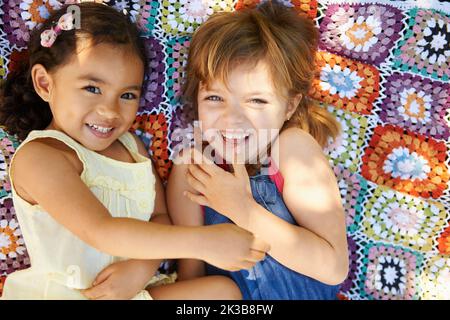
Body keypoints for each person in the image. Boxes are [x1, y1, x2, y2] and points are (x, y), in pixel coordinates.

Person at [0, 2, 269, 300]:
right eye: (92, 88)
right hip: (68, 294)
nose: (109, 110)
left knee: (222, 292)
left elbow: (161, 217)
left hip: (132, 290)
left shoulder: (131, 147)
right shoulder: (41, 157)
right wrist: (201, 243)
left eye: (127, 95)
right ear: (44, 83)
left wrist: (141, 268)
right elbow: (101, 231)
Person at [167, 0, 349, 300]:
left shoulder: (292, 151)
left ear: (289, 105)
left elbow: (333, 268)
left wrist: (243, 209)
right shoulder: (191, 170)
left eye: (257, 101)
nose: (232, 118)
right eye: (215, 98)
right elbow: (191, 280)